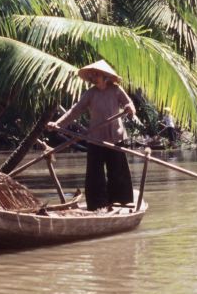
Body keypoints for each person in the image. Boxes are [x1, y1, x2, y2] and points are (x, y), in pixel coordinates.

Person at [50, 60, 136, 211]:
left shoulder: (116, 90)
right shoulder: (90, 93)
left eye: (97, 75)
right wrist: (58, 124)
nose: (93, 77)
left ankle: (120, 200)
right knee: (94, 172)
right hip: (95, 137)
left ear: (105, 77)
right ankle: (97, 204)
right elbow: (75, 110)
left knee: (117, 169)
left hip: (115, 136)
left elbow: (130, 105)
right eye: (92, 75)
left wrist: (129, 108)